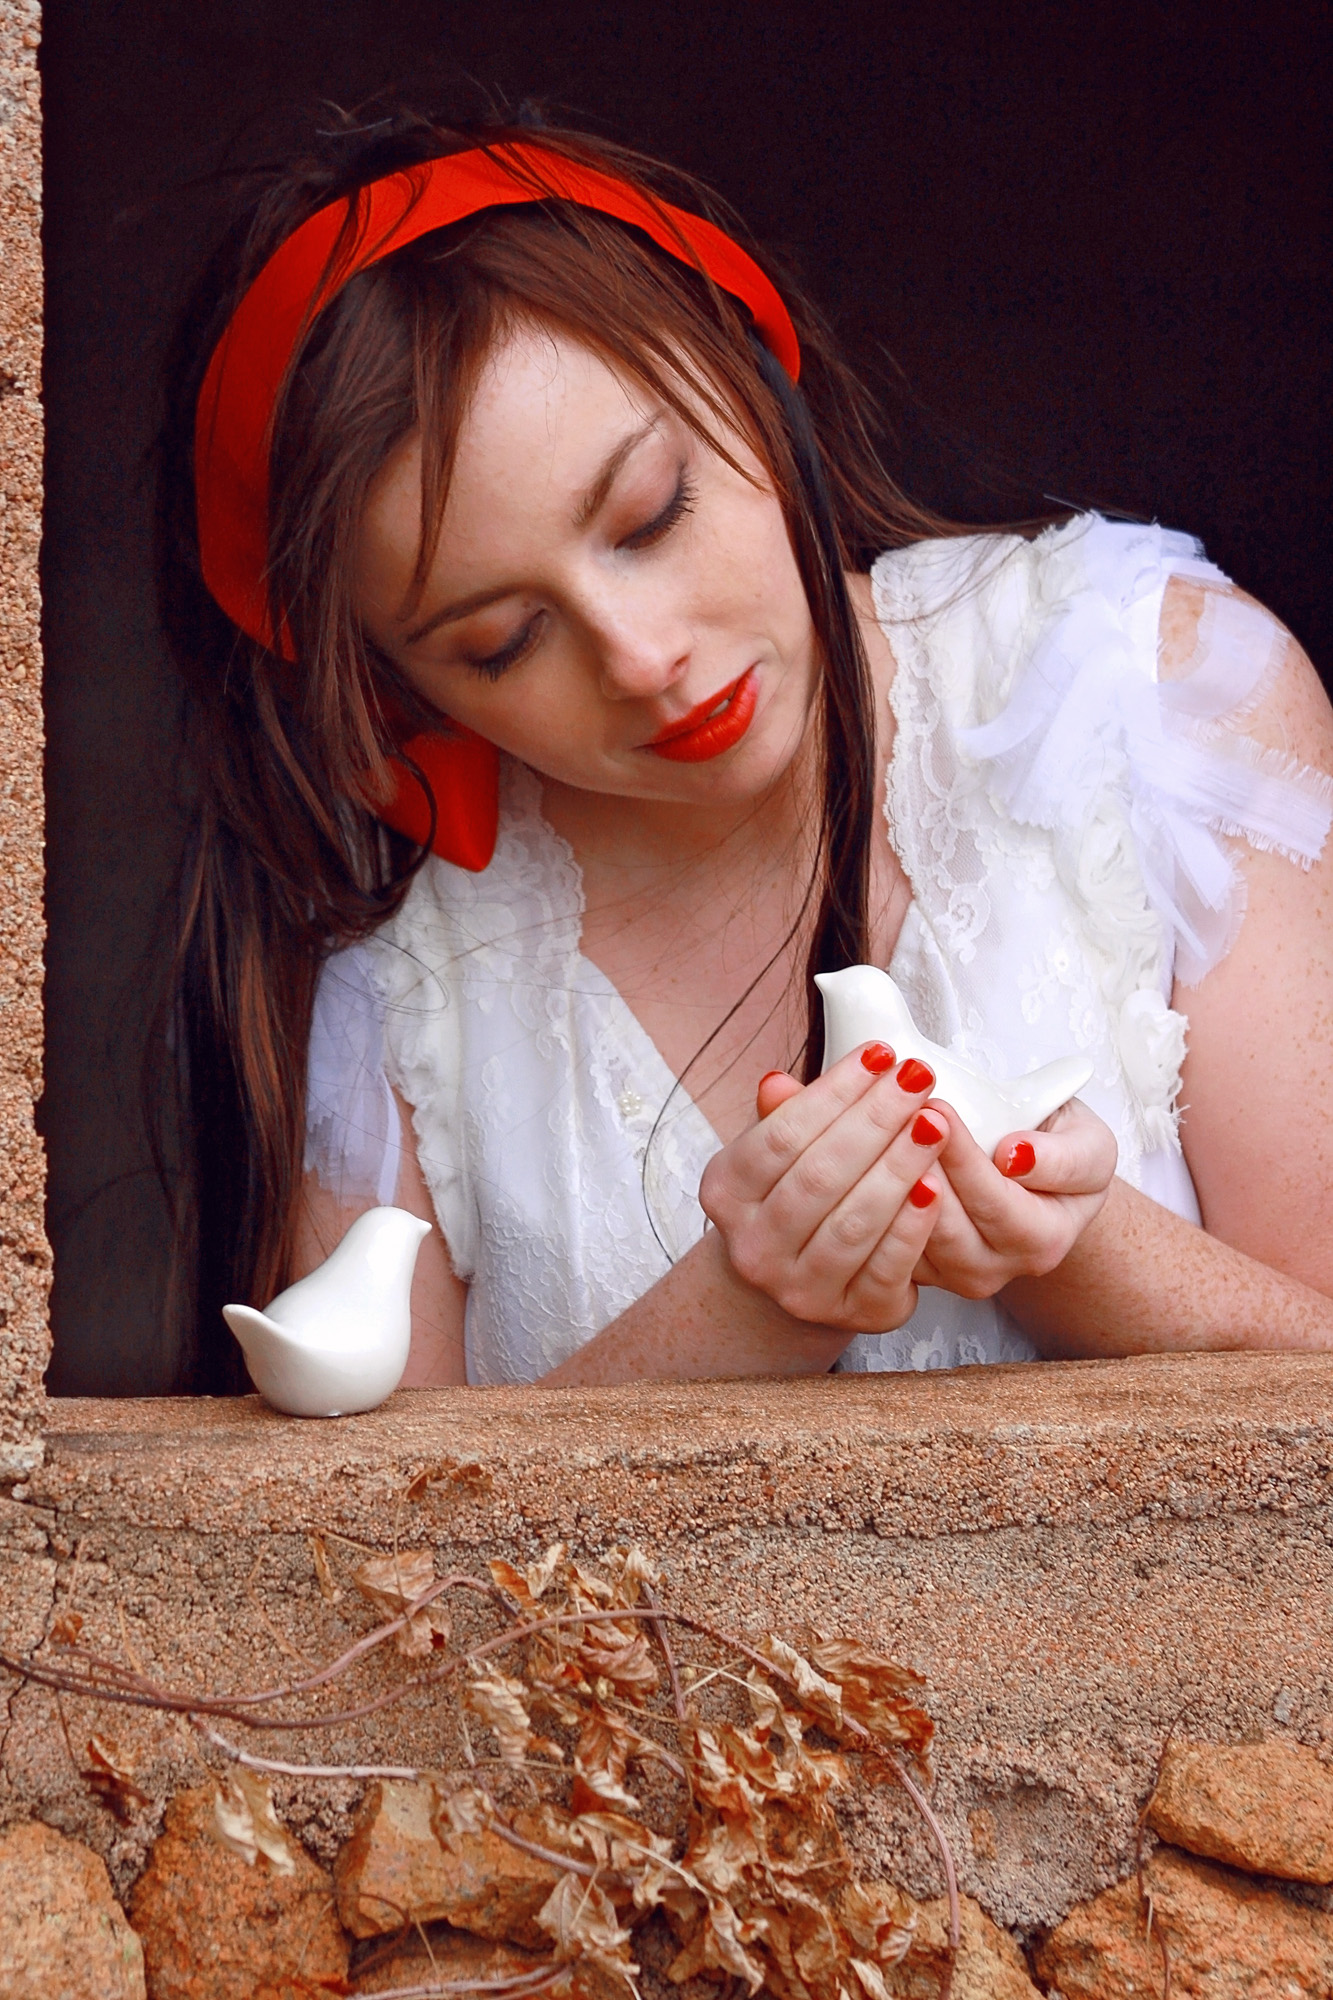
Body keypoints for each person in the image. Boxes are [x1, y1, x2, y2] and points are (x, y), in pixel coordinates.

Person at [160, 113, 1333, 1395]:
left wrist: (1073, 1251)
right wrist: (736, 1312)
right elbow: (358, 1573)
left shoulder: (1146, 689)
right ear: (394, 691)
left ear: (742, 352)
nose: (641, 654)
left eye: (650, 515)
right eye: (499, 643)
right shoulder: (407, 994)